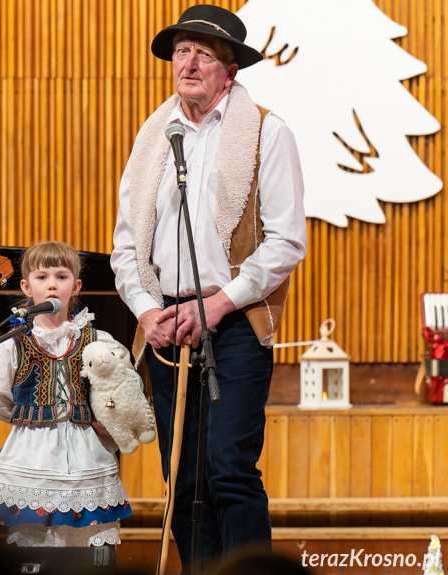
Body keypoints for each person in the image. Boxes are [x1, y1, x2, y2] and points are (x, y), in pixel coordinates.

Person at [110, 4, 307, 571]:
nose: (188, 63)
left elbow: (286, 242)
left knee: (229, 468)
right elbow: (127, 248)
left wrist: (217, 304)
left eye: (203, 53)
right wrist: (148, 312)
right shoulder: (154, 139)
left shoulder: (267, 133)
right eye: (181, 51)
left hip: (235, 320)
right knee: (185, 475)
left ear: (231, 71)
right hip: (167, 324)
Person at [0, 240, 132, 551]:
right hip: (32, 452)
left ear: (75, 286)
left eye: (61, 277)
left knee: (87, 544)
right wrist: (30, 416)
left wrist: (107, 417)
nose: (52, 284)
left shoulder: (98, 342)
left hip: (87, 452)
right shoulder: (14, 343)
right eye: (42, 277)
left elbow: (123, 390)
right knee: (34, 542)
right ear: (26, 286)